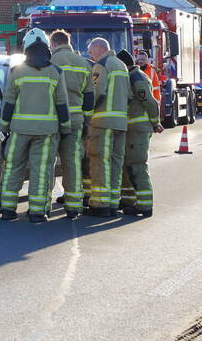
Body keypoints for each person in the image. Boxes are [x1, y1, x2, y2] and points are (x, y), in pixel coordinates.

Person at [0, 28, 71, 223]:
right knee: (41, 169)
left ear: (26, 47)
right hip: (46, 132)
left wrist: (4, 128)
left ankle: (7, 209)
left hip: (19, 130)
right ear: (47, 47)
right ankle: (37, 212)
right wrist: (66, 128)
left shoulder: (16, 71)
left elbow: (8, 103)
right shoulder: (55, 72)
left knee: (13, 167)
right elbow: (62, 103)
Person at [49, 30, 94, 219]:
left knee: (46, 162)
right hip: (76, 120)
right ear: (68, 42)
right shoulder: (83, 63)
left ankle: (42, 205)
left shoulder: (49, 63)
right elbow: (90, 96)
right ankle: (73, 206)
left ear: (53, 44)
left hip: (51, 120)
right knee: (72, 162)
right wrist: (86, 119)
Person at [85, 37, 131, 216]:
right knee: (115, 162)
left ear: (99, 48)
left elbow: (96, 92)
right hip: (121, 123)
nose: (90, 56)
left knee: (99, 161)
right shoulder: (121, 65)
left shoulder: (101, 66)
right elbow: (128, 95)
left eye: (91, 51)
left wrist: (86, 111)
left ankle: (100, 204)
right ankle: (112, 202)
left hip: (103, 123)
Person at [118, 50, 164, 217]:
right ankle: (128, 200)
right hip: (132, 130)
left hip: (138, 130)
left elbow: (150, 103)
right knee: (127, 164)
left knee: (137, 165)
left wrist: (155, 122)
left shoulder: (137, 78)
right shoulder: (131, 77)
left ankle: (145, 206)